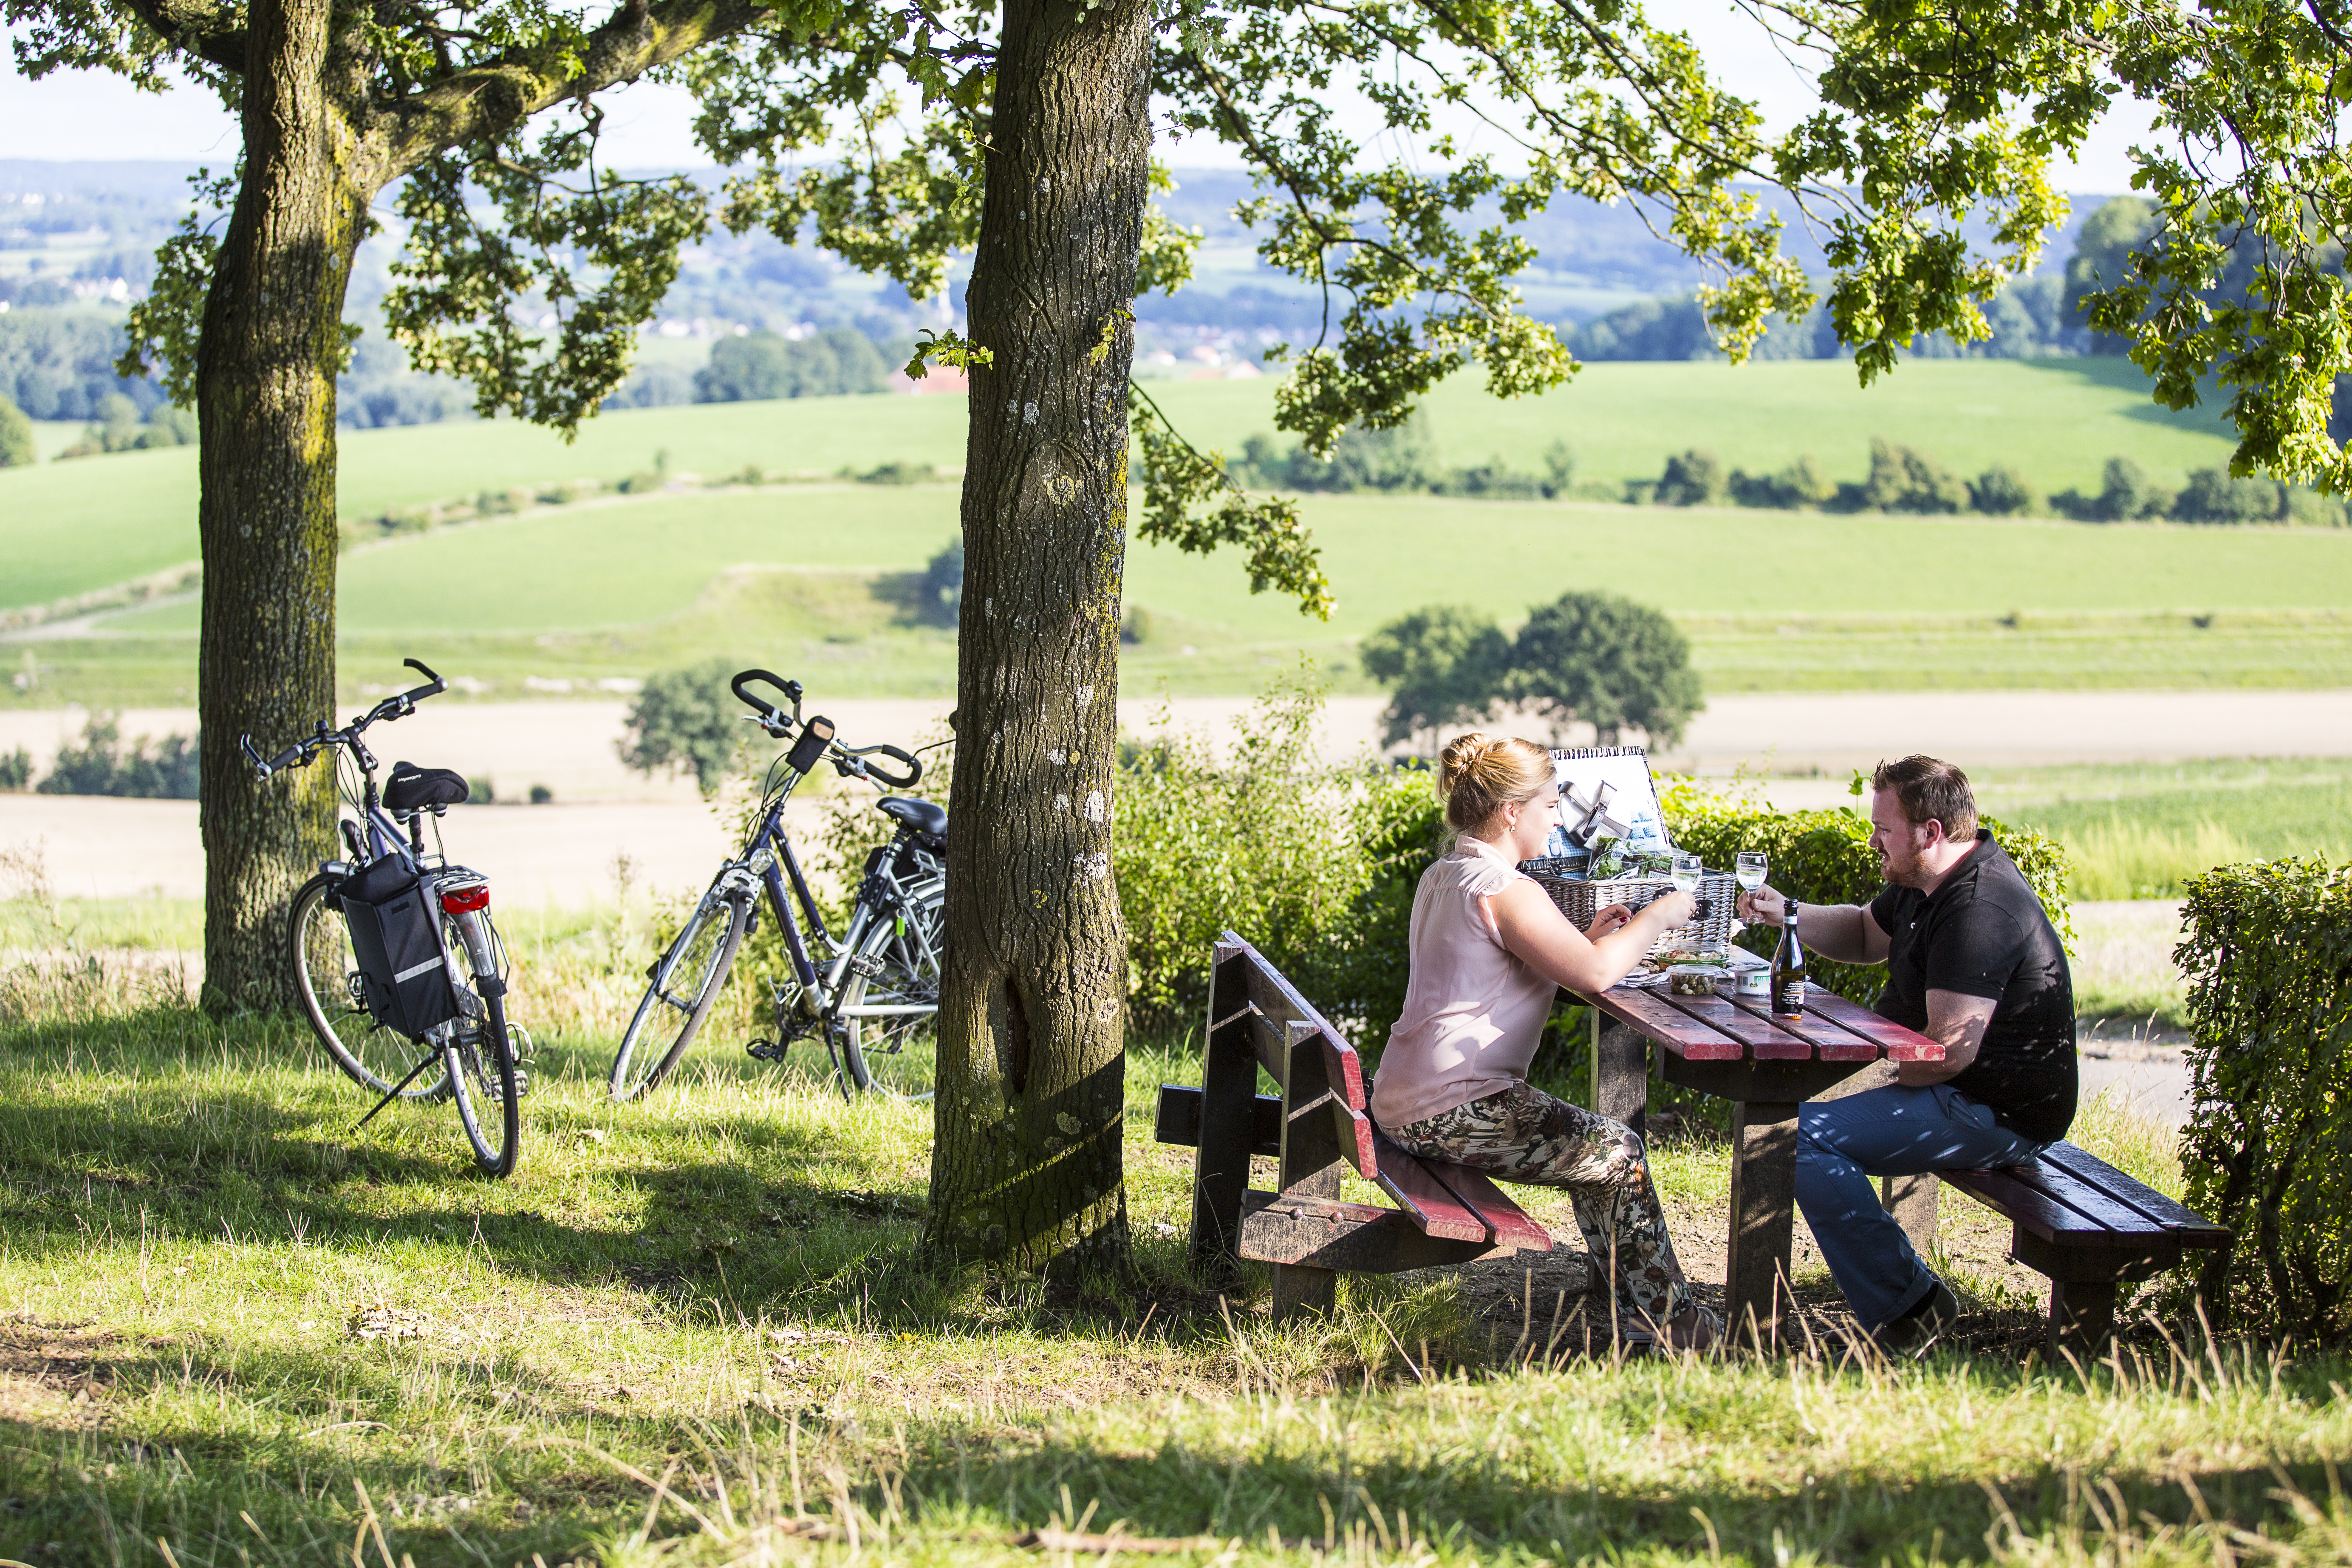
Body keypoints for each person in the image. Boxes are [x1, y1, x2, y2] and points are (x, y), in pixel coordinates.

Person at [1371, 732, 1719, 1348]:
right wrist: (1657, 916)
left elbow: (1511, 970)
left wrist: (1586, 936)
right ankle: (1671, 1323)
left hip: (1406, 1098)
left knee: (1603, 1152)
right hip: (1455, 1110)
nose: (1556, 819)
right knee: (1619, 1152)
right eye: (1551, 806)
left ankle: (1627, 1305)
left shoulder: (1447, 873)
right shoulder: (1508, 889)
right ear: (1513, 812)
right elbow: (1594, 975)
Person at [1738, 754, 2075, 1351]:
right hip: (1955, 1091)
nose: (1873, 842)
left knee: (1789, 1140)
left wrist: (1847, 1068)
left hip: (1994, 1110)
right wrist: (1786, 913)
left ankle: (1911, 1306)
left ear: (1931, 832)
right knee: (1781, 1125)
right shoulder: (1926, 883)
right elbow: (1866, 934)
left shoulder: (1979, 908)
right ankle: (1897, 1294)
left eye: (1883, 830)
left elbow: (1947, 1054)